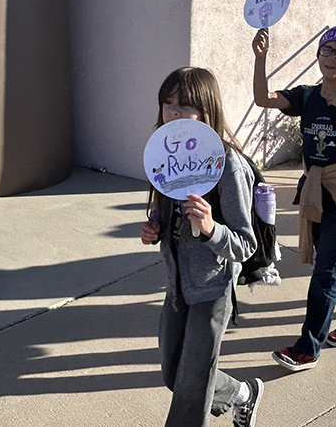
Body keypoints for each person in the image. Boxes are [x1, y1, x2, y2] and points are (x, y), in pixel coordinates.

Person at [253, 25, 336, 372]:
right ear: (318, 55)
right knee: (333, 259)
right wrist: (260, 58)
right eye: (327, 50)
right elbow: (264, 99)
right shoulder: (307, 95)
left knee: (326, 270)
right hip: (316, 188)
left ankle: (308, 348)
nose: (332, 57)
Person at [140, 67, 263, 427]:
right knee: (173, 373)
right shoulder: (165, 155)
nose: (175, 113)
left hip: (212, 289)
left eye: (185, 106)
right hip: (177, 285)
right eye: (168, 104)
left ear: (207, 111)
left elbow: (245, 243)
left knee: (191, 389)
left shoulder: (228, 166)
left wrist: (210, 228)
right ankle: (243, 394)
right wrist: (155, 228)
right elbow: (167, 211)